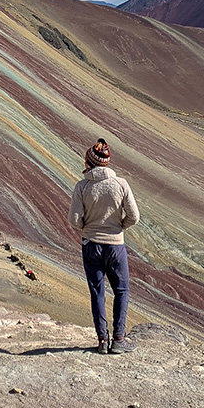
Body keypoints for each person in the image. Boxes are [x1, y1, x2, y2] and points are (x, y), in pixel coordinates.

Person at [68, 138, 140, 354]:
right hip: (115, 245)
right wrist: (119, 227)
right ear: (106, 163)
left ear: (89, 162)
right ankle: (119, 338)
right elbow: (134, 216)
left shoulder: (82, 186)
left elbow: (74, 220)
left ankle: (102, 341)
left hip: (91, 244)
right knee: (121, 290)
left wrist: (87, 227)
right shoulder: (121, 184)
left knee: (97, 291)